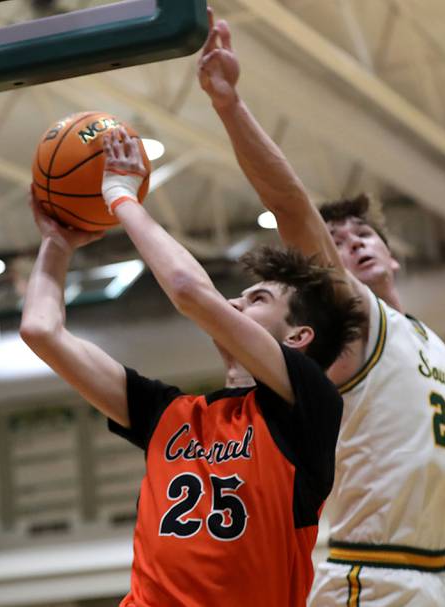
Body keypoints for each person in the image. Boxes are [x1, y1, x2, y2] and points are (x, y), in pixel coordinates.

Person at [20, 127, 363, 606]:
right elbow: (41, 331)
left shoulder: (308, 404)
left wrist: (122, 196)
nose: (232, 304)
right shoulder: (168, 414)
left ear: (298, 338)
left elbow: (187, 288)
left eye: (257, 298)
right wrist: (56, 245)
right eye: (237, 295)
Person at [198, 10, 445, 606]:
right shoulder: (357, 324)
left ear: (391, 254)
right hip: (367, 574)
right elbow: (293, 210)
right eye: (337, 244)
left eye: (362, 236)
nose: (350, 246)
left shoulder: (424, 337)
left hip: (434, 571)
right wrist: (229, 104)